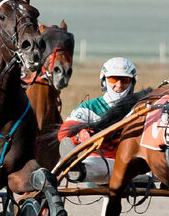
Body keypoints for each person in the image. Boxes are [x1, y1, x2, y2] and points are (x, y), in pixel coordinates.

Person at [58, 56, 138, 184]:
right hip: (100, 162)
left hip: (132, 162)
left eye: (125, 80)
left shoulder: (140, 107)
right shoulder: (89, 108)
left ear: (132, 83)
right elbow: (63, 134)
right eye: (113, 79)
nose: (119, 85)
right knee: (96, 165)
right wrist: (79, 137)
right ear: (104, 81)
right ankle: (76, 169)